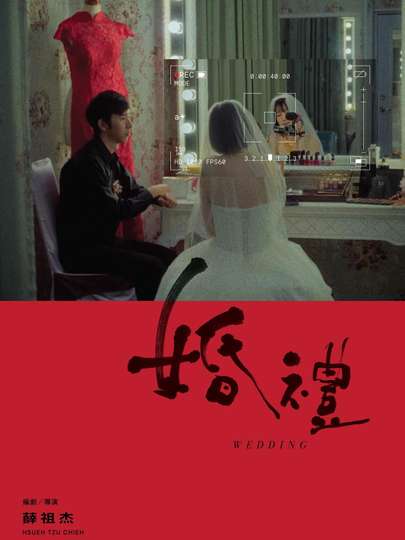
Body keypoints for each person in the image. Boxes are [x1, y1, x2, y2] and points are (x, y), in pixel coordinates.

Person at [155, 100, 333, 301]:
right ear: (244, 129)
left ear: (214, 134)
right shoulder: (265, 164)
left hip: (223, 253)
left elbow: (209, 226)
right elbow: (273, 216)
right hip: (267, 252)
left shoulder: (211, 166)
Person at [57, 90, 177, 300]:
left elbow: (132, 189)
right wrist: (152, 192)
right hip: (83, 252)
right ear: (103, 124)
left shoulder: (108, 157)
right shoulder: (88, 163)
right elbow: (119, 210)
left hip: (104, 243)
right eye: (122, 118)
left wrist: (154, 197)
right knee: (153, 267)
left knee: (170, 258)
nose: (129, 124)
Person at [268, 94, 324, 158]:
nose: (283, 118)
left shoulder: (311, 140)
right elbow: (269, 160)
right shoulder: (274, 138)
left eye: (287, 113)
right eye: (278, 115)